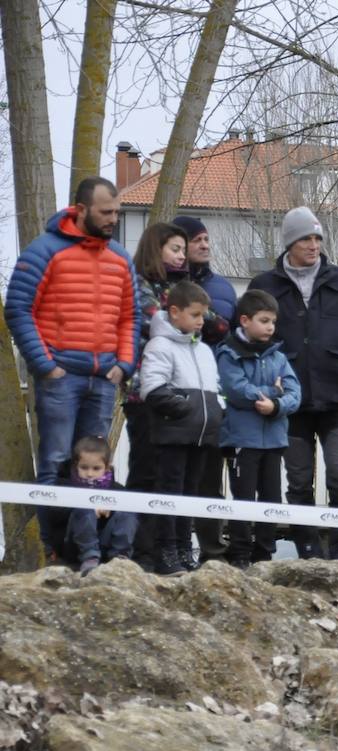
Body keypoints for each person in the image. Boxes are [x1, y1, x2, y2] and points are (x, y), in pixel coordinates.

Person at [4, 176, 138, 556]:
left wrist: (124, 365)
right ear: (81, 210)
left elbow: (130, 317)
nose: (114, 219)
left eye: (117, 211)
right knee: (56, 463)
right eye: (106, 212)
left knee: (94, 466)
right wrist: (45, 366)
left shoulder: (120, 259)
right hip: (60, 377)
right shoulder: (44, 251)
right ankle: (56, 552)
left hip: (104, 379)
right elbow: (18, 308)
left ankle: (88, 550)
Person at [248, 206, 338, 561]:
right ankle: (306, 544)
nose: (313, 245)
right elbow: (247, 338)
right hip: (289, 402)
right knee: (298, 478)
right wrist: (266, 379)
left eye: (317, 238)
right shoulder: (265, 285)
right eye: (305, 238)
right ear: (289, 243)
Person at [138, 281, 224, 575]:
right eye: (196, 314)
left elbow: (214, 389)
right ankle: (166, 551)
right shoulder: (159, 345)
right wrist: (185, 410)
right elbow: (152, 387)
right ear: (174, 312)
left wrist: (216, 412)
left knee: (190, 493)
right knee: (170, 492)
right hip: (173, 435)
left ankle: (185, 549)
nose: (202, 321)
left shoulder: (203, 350)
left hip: (200, 436)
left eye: (204, 315)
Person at [217, 290, 302, 569]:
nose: (270, 327)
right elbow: (236, 390)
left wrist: (276, 406)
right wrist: (269, 392)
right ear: (244, 320)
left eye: (273, 322)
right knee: (244, 496)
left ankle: (264, 552)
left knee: (271, 498)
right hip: (243, 439)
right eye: (264, 320)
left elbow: (294, 393)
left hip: (274, 441)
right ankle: (240, 552)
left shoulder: (278, 356)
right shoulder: (229, 353)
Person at [125, 221, 191, 568]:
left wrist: (192, 316)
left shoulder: (182, 287)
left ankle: (170, 549)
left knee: (172, 478)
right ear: (156, 249)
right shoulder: (137, 284)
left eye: (183, 249)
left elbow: (214, 323)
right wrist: (186, 317)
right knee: (144, 473)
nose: (182, 256)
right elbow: (160, 321)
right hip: (144, 394)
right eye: (175, 249)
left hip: (180, 393)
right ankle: (141, 553)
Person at [174, 214, 236, 562]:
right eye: (196, 239)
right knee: (173, 477)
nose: (204, 244)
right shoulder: (162, 285)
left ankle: (213, 552)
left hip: (212, 398)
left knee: (209, 479)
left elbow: (232, 343)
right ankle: (170, 548)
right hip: (174, 393)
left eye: (206, 239)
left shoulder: (224, 290)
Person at [55, 436, 137, 576]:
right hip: (76, 546)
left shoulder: (117, 490)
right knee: (84, 508)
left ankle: (120, 558)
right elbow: (56, 517)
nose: (90, 474)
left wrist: (111, 508)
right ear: (76, 466)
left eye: (96, 468)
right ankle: (89, 557)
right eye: (84, 467)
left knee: (128, 511)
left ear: (107, 468)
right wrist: (89, 507)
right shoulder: (65, 487)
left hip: (106, 541)